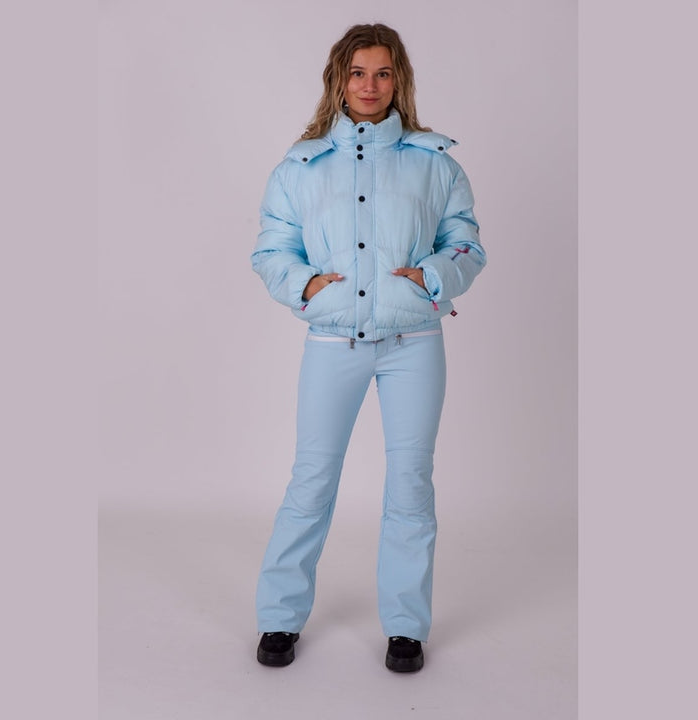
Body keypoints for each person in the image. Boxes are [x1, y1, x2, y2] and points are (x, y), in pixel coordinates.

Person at [251, 23, 486, 672]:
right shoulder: (299, 167)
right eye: (358, 73)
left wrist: (432, 277)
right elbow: (271, 250)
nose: (370, 85)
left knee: (411, 481)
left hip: (415, 343)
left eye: (383, 73)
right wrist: (306, 285)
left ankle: (406, 628)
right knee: (312, 478)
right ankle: (279, 617)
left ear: (398, 79)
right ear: (339, 79)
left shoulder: (436, 163)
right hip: (332, 341)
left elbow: (467, 244)